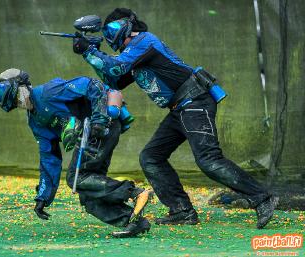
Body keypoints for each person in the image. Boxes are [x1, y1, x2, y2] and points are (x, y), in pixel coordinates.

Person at [72, 8, 278, 229]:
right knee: (151, 157)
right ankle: (182, 211)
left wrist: (89, 52)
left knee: (208, 159)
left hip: (195, 101)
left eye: (111, 29)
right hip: (180, 108)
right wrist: (91, 52)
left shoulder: (144, 42)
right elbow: (114, 79)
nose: (109, 35)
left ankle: (262, 198)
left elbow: (115, 67)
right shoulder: (132, 54)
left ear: (127, 26)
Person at [0, 68, 152, 237]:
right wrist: (43, 197)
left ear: (23, 85)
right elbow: (49, 158)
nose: (19, 102)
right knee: (89, 198)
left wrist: (99, 119)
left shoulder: (49, 92)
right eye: (15, 103)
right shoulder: (35, 122)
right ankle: (134, 222)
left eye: (16, 96)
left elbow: (92, 84)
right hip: (90, 134)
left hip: (102, 126)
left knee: (78, 176)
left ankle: (135, 193)